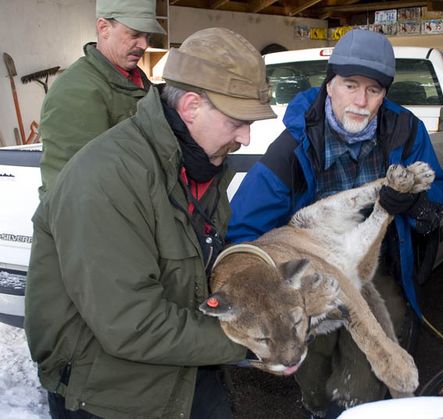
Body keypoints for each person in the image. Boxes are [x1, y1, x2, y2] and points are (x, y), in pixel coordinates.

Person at [25, 27, 276, 419]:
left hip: (184, 366)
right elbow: (131, 323)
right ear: (191, 106)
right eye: (238, 121)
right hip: (109, 392)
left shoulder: (198, 164)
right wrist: (250, 340)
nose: (245, 137)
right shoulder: (107, 179)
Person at [227, 29, 443, 418]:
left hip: (373, 259)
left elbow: (437, 191)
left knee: (372, 356)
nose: (361, 102)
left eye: (374, 90)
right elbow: (244, 228)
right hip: (307, 266)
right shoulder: (294, 145)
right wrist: (271, 285)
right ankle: (315, 403)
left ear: (385, 93)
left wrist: (411, 204)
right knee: (310, 362)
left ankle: (356, 405)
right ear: (330, 85)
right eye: (350, 85)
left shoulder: (405, 129)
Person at [38, 0, 166, 196]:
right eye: (135, 34)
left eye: (147, 36)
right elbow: (74, 190)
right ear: (104, 27)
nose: (144, 45)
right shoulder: (75, 90)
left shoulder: (135, 78)